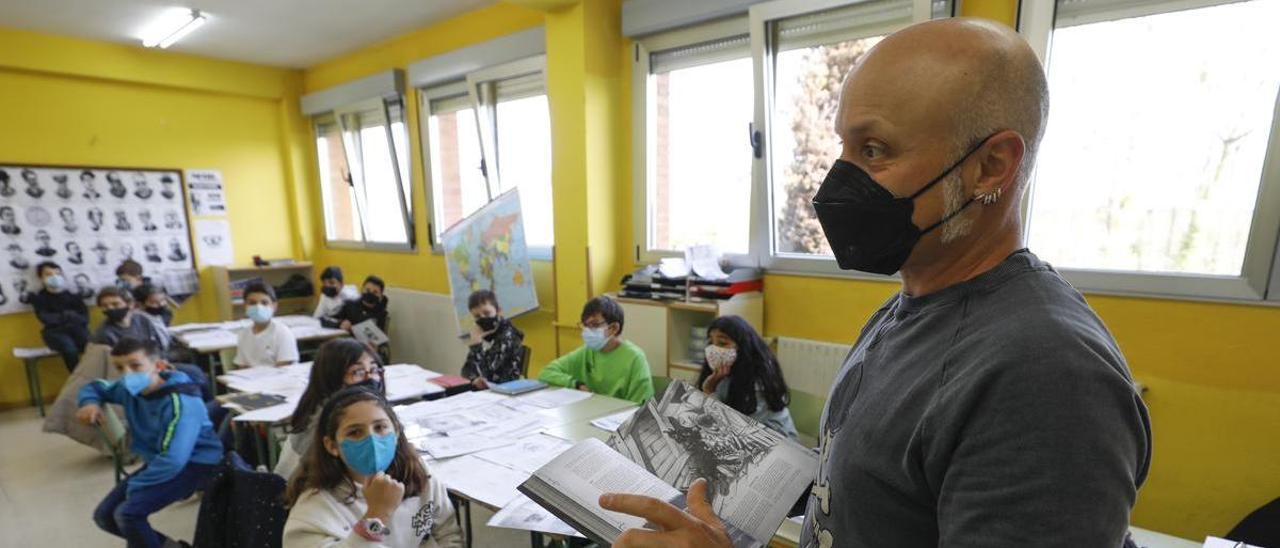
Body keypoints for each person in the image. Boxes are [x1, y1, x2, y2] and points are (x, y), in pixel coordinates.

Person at [599, 19, 1151, 548]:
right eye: (843, 147)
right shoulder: (909, 306)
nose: (836, 183)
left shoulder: (1044, 374)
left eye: (874, 150)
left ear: (990, 167)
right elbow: (862, 486)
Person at [76, 338, 223, 548]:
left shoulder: (180, 402)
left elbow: (174, 459)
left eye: (135, 365)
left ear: (159, 366)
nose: (126, 373)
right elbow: (95, 387)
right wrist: (89, 402)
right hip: (160, 461)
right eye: (119, 367)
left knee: (128, 514)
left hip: (196, 464)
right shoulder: (129, 389)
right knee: (104, 516)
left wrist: (136, 486)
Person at [283, 387, 461, 547]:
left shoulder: (417, 472)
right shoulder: (314, 510)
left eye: (380, 427)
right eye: (355, 432)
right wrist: (377, 514)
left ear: (397, 431)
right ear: (332, 446)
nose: (372, 440)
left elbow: (447, 533)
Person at [276, 338, 386, 479]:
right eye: (357, 371)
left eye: (374, 369)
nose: (370, 377)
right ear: (332, 376)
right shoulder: (328, 420)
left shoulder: (325, 406)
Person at [696, 315, 798, 440]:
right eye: (711, 342)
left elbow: (737, 432)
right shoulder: (720, 376)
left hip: (778, 445)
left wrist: (709, 391)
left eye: (722, 343)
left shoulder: (758, 382)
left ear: (742, 347)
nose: (713, 349)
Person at [538, 296, 654, 404]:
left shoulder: (634, 358)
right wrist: (576, 384)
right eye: (585, 325)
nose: (587, 331)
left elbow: (642, 405)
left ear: (613, 328)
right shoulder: (586, 352)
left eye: (594, 325)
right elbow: (546, 373)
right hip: (591, 415)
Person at [29, 261, 90, 372]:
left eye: (58, 274)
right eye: (48, 274)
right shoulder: (39, 298)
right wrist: (69, 315)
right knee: (69, 349)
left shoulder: (73, 296)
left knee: (92, 345)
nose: (54, 277)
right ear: (41, 278)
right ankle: (77, 378)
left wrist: (63, 317)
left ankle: (97, 377)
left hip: (77, 330)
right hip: (55, 333)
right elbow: (46, 319)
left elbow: (84, 318)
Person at [461, 290, 526, 388]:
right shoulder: (485, 335)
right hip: (486, 390)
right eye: (477, 316)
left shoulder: (508, 335)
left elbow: (488, 371)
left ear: (498, 311)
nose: (482, 318)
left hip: (505, 390)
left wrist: (476, 345)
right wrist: (474, 380)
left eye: (487, 313)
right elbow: (466, 370)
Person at [233, 281, 299, 367]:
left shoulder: (282, 333)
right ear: (245, 306)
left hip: (276, 379)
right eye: (252, 303)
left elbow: (284, 368)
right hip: (250, 379)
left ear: (274, 306)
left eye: (264, 303)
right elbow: (242, 366)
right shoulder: (243, 334)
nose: (258, 307)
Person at [92, 286, 169, 351]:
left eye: (115, 304)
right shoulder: (104, 334)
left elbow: (155, 346)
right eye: (104, 306)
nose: (110, 308)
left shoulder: (142, 320)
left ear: (130, 304)